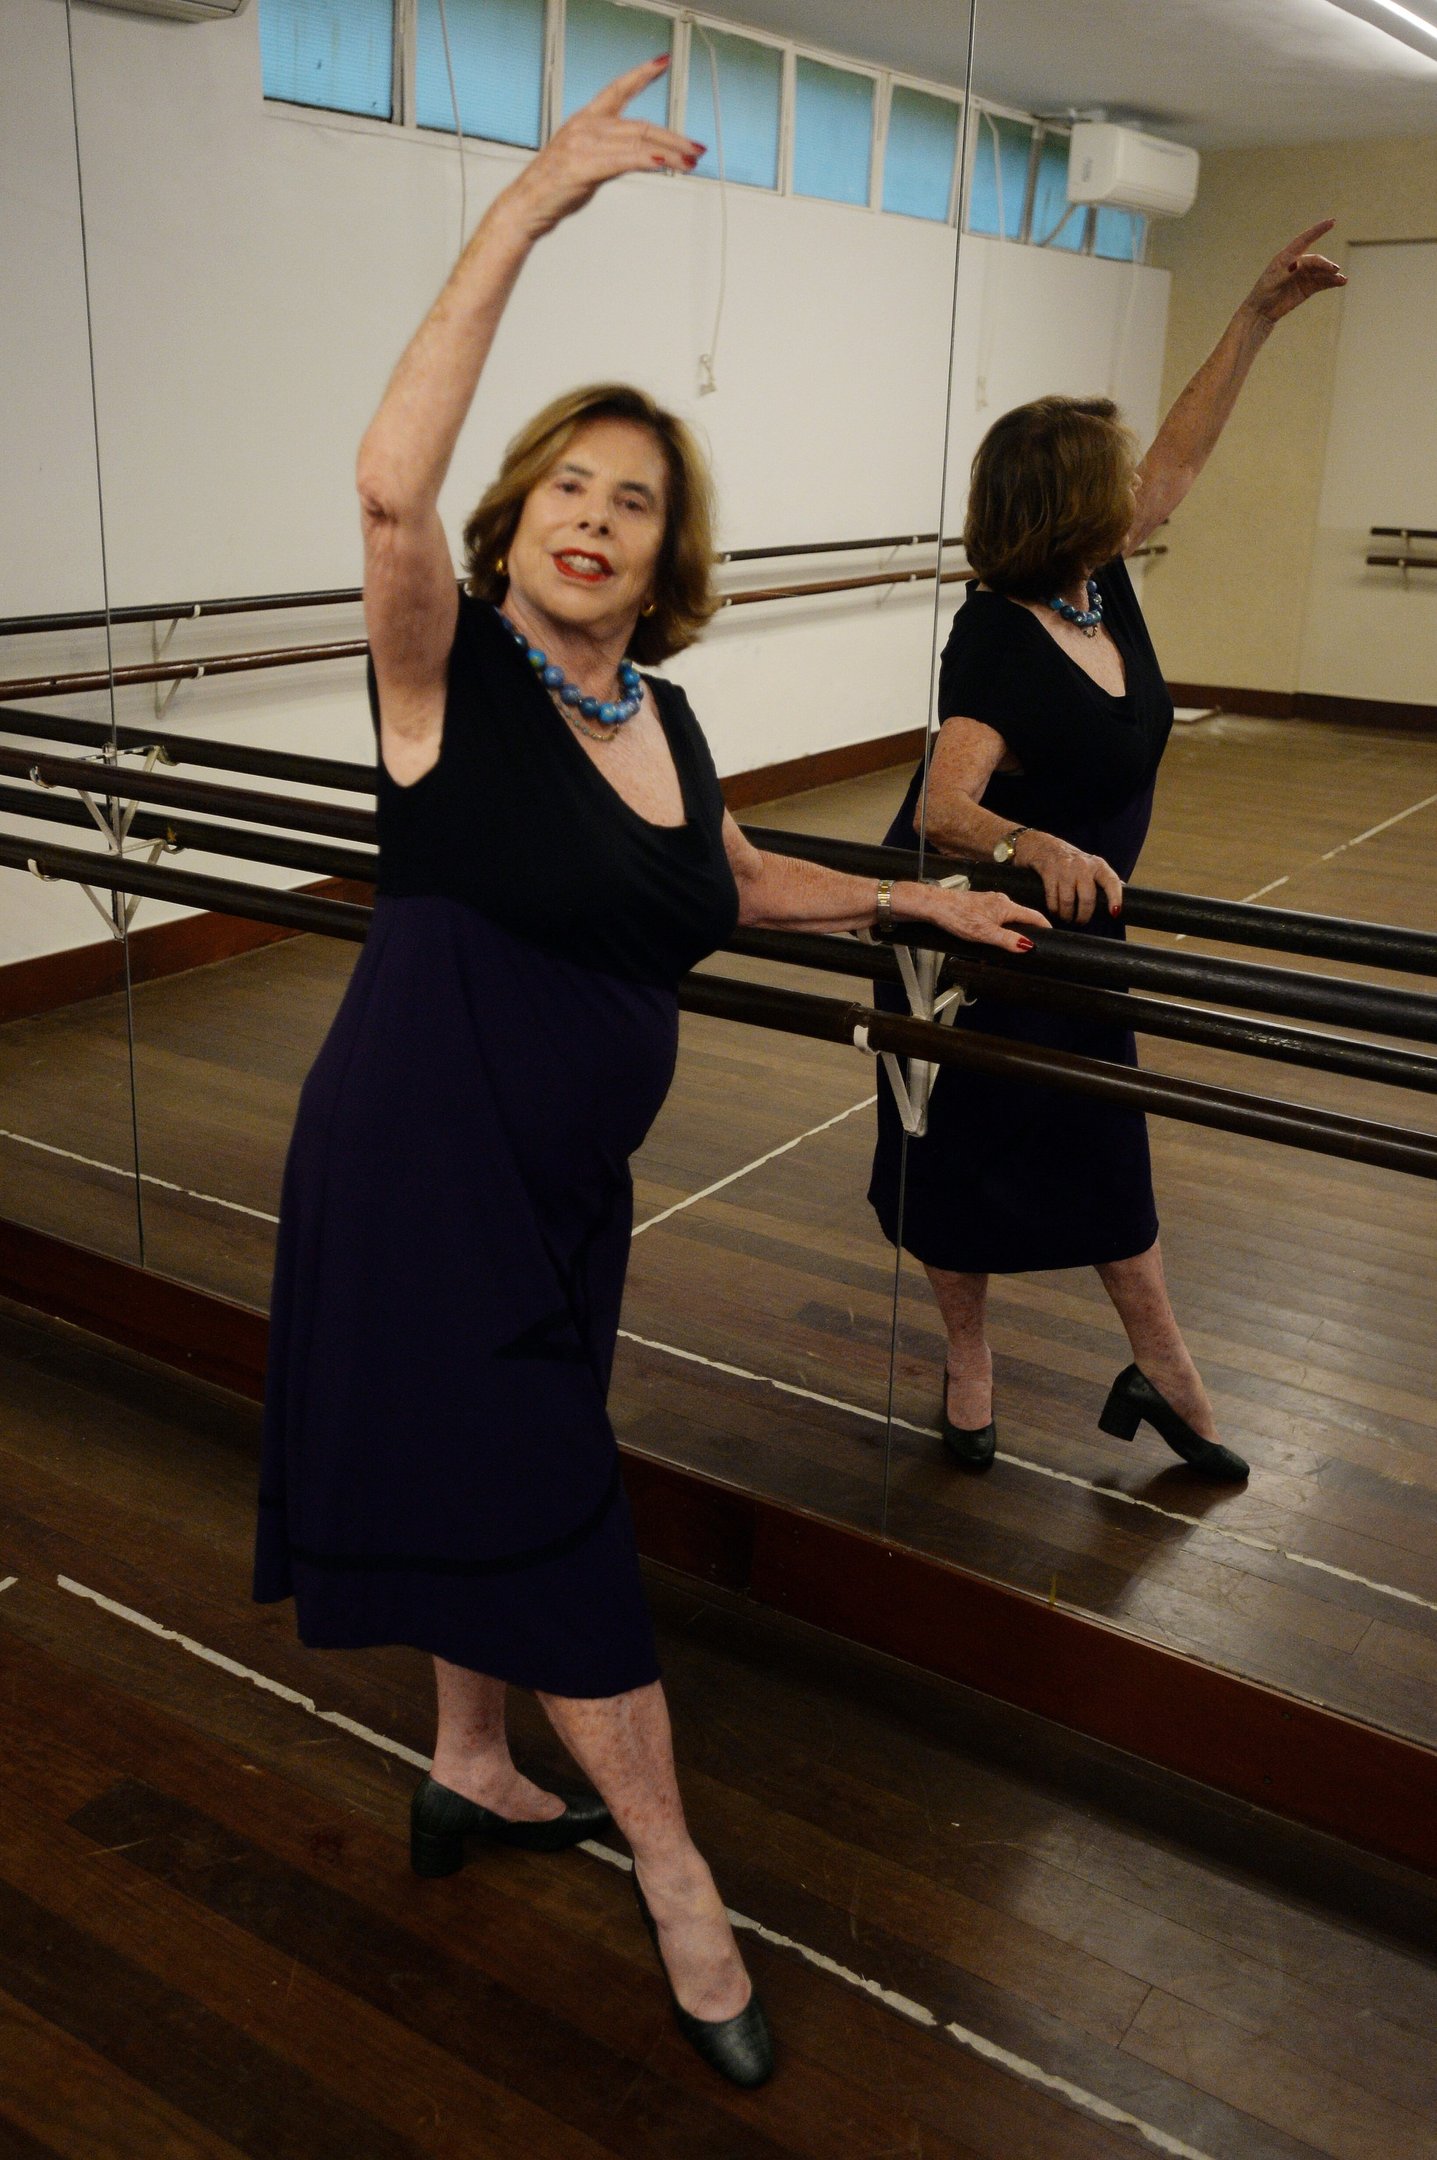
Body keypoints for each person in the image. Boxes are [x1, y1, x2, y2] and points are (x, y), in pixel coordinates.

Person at [252, 56, 1044, 2089]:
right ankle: (679, 1884)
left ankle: (465, 1762)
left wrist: (905, 910)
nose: (596, 520)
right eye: (569, 489)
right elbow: (377, 484)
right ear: (515, 516)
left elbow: (726, 881)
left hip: (557, 1181)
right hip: (423, 1164)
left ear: (663, 548)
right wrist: (525, 209)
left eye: (636, 499)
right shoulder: (442, 680)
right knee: (546, 1510)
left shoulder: (665, 725)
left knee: (490, 1481)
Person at [869, 222, 1346, 1485]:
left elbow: (1184, 451)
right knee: (955, 1162)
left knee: (1104, 1154)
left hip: (1077, 931)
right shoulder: (996, 637)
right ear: (1063, 510)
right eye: (1111, 481)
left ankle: (1168, 1375)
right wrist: (1032, 837)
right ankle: (968, 1367)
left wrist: (1254, 317)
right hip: (970, 937)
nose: (1141, 491)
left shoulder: (1103, 583)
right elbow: (939, 807)